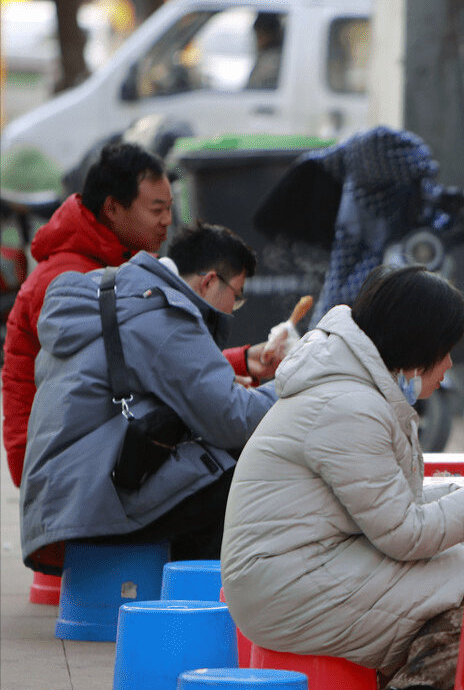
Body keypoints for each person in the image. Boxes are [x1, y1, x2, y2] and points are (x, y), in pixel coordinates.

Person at [219, 265, 464, 690]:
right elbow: (406, 534)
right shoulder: (350, 406)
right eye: (446, 349)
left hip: (300, 567)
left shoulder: (358, 391)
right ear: (418, 348)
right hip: (283, 583)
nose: (450, 363)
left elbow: (394, 507)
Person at [2, 142, 282, 494]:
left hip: (83, 453)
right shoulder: (67, 282)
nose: (167, 220)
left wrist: (238, 362)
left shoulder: (117, 268)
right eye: (156, 209)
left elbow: (144, 357)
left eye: (169, 208)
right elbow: (121, 367)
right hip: (62, 468)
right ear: (113, 208)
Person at [20, 222, 277, 570]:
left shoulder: (113, 294)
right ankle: (196, 607)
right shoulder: (165, 313)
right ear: (210, 281)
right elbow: (232, 419)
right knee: (239, 474)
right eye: (238, 294)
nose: (234, 309)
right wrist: (293, 382)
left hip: (57, 506)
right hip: (95, 509)